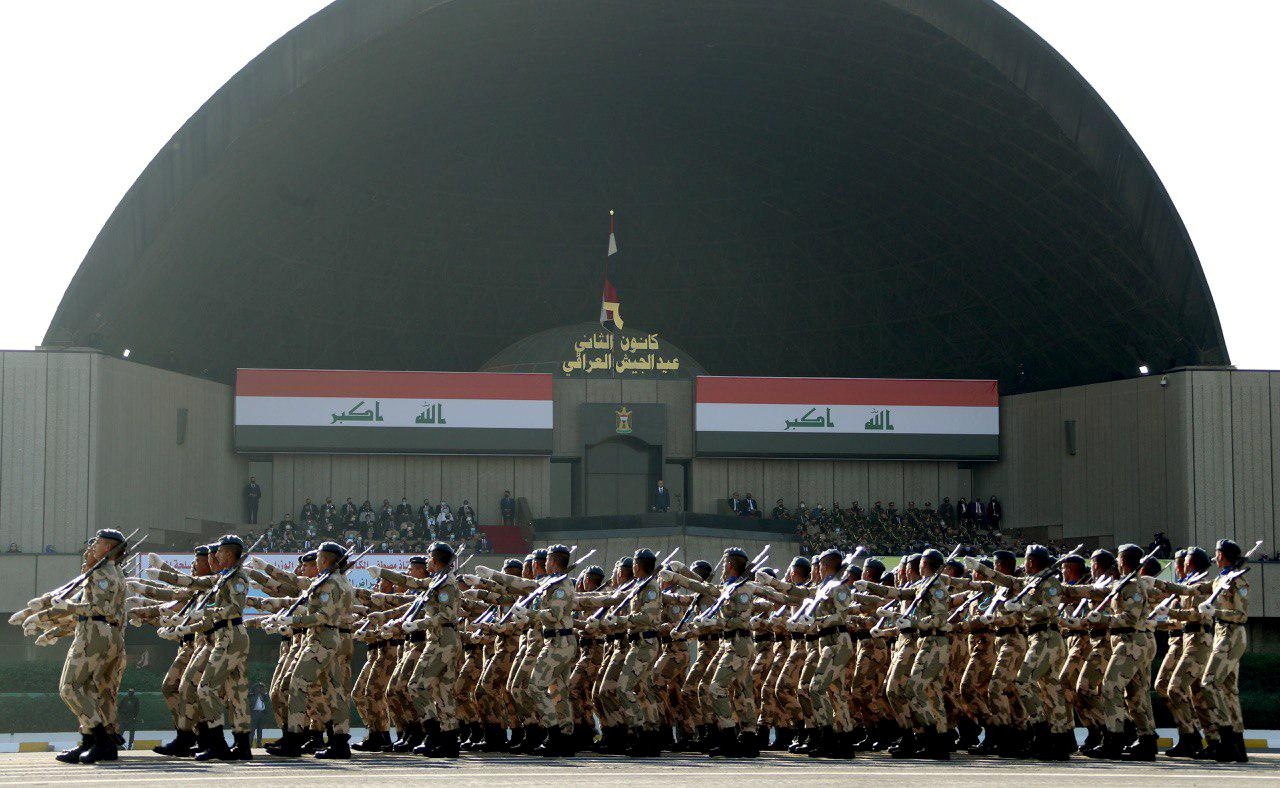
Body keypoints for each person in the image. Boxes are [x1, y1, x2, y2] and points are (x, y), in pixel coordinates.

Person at [249, 682, 270, 747]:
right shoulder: (252, 695)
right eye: (259, 687)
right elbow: (250, 701)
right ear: (255, 689)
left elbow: (268, 700)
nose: (260, 689)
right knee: (252, 730)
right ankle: (250, 744)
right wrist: (255, 693)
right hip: (254, 714)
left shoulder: (262, 695)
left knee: (260, 730)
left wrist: (265, 692)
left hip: (261, 713)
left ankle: (259, 744)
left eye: (261, 688)